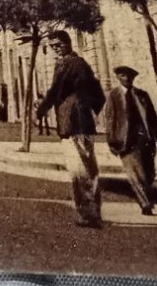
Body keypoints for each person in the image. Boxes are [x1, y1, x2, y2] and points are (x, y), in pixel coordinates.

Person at [35, 31, 106, 228]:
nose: (55, 48)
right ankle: (92, 212)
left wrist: (42, 109)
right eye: (52, 46)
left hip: (74, 123)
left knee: (79, 170)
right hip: (79, 123)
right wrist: (92, 108)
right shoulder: (79, 64)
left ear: (68, 43)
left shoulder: (68, 63)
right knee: (87, 168)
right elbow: (98, 93)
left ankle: (88, 213)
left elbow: (57, 89)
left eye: (59, 44)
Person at [102, 65, 157, 215]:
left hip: (144, 139)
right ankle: (145, 203)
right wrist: (111, 141)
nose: (127, 79)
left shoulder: (142, 95)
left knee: (149, 173)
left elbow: (153, 119)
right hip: (125, 141)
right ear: (118, 78)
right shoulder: (113, 95)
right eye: (123, 76)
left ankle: (146, 197)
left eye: (129, 77)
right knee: (135, 174)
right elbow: (110, 119)